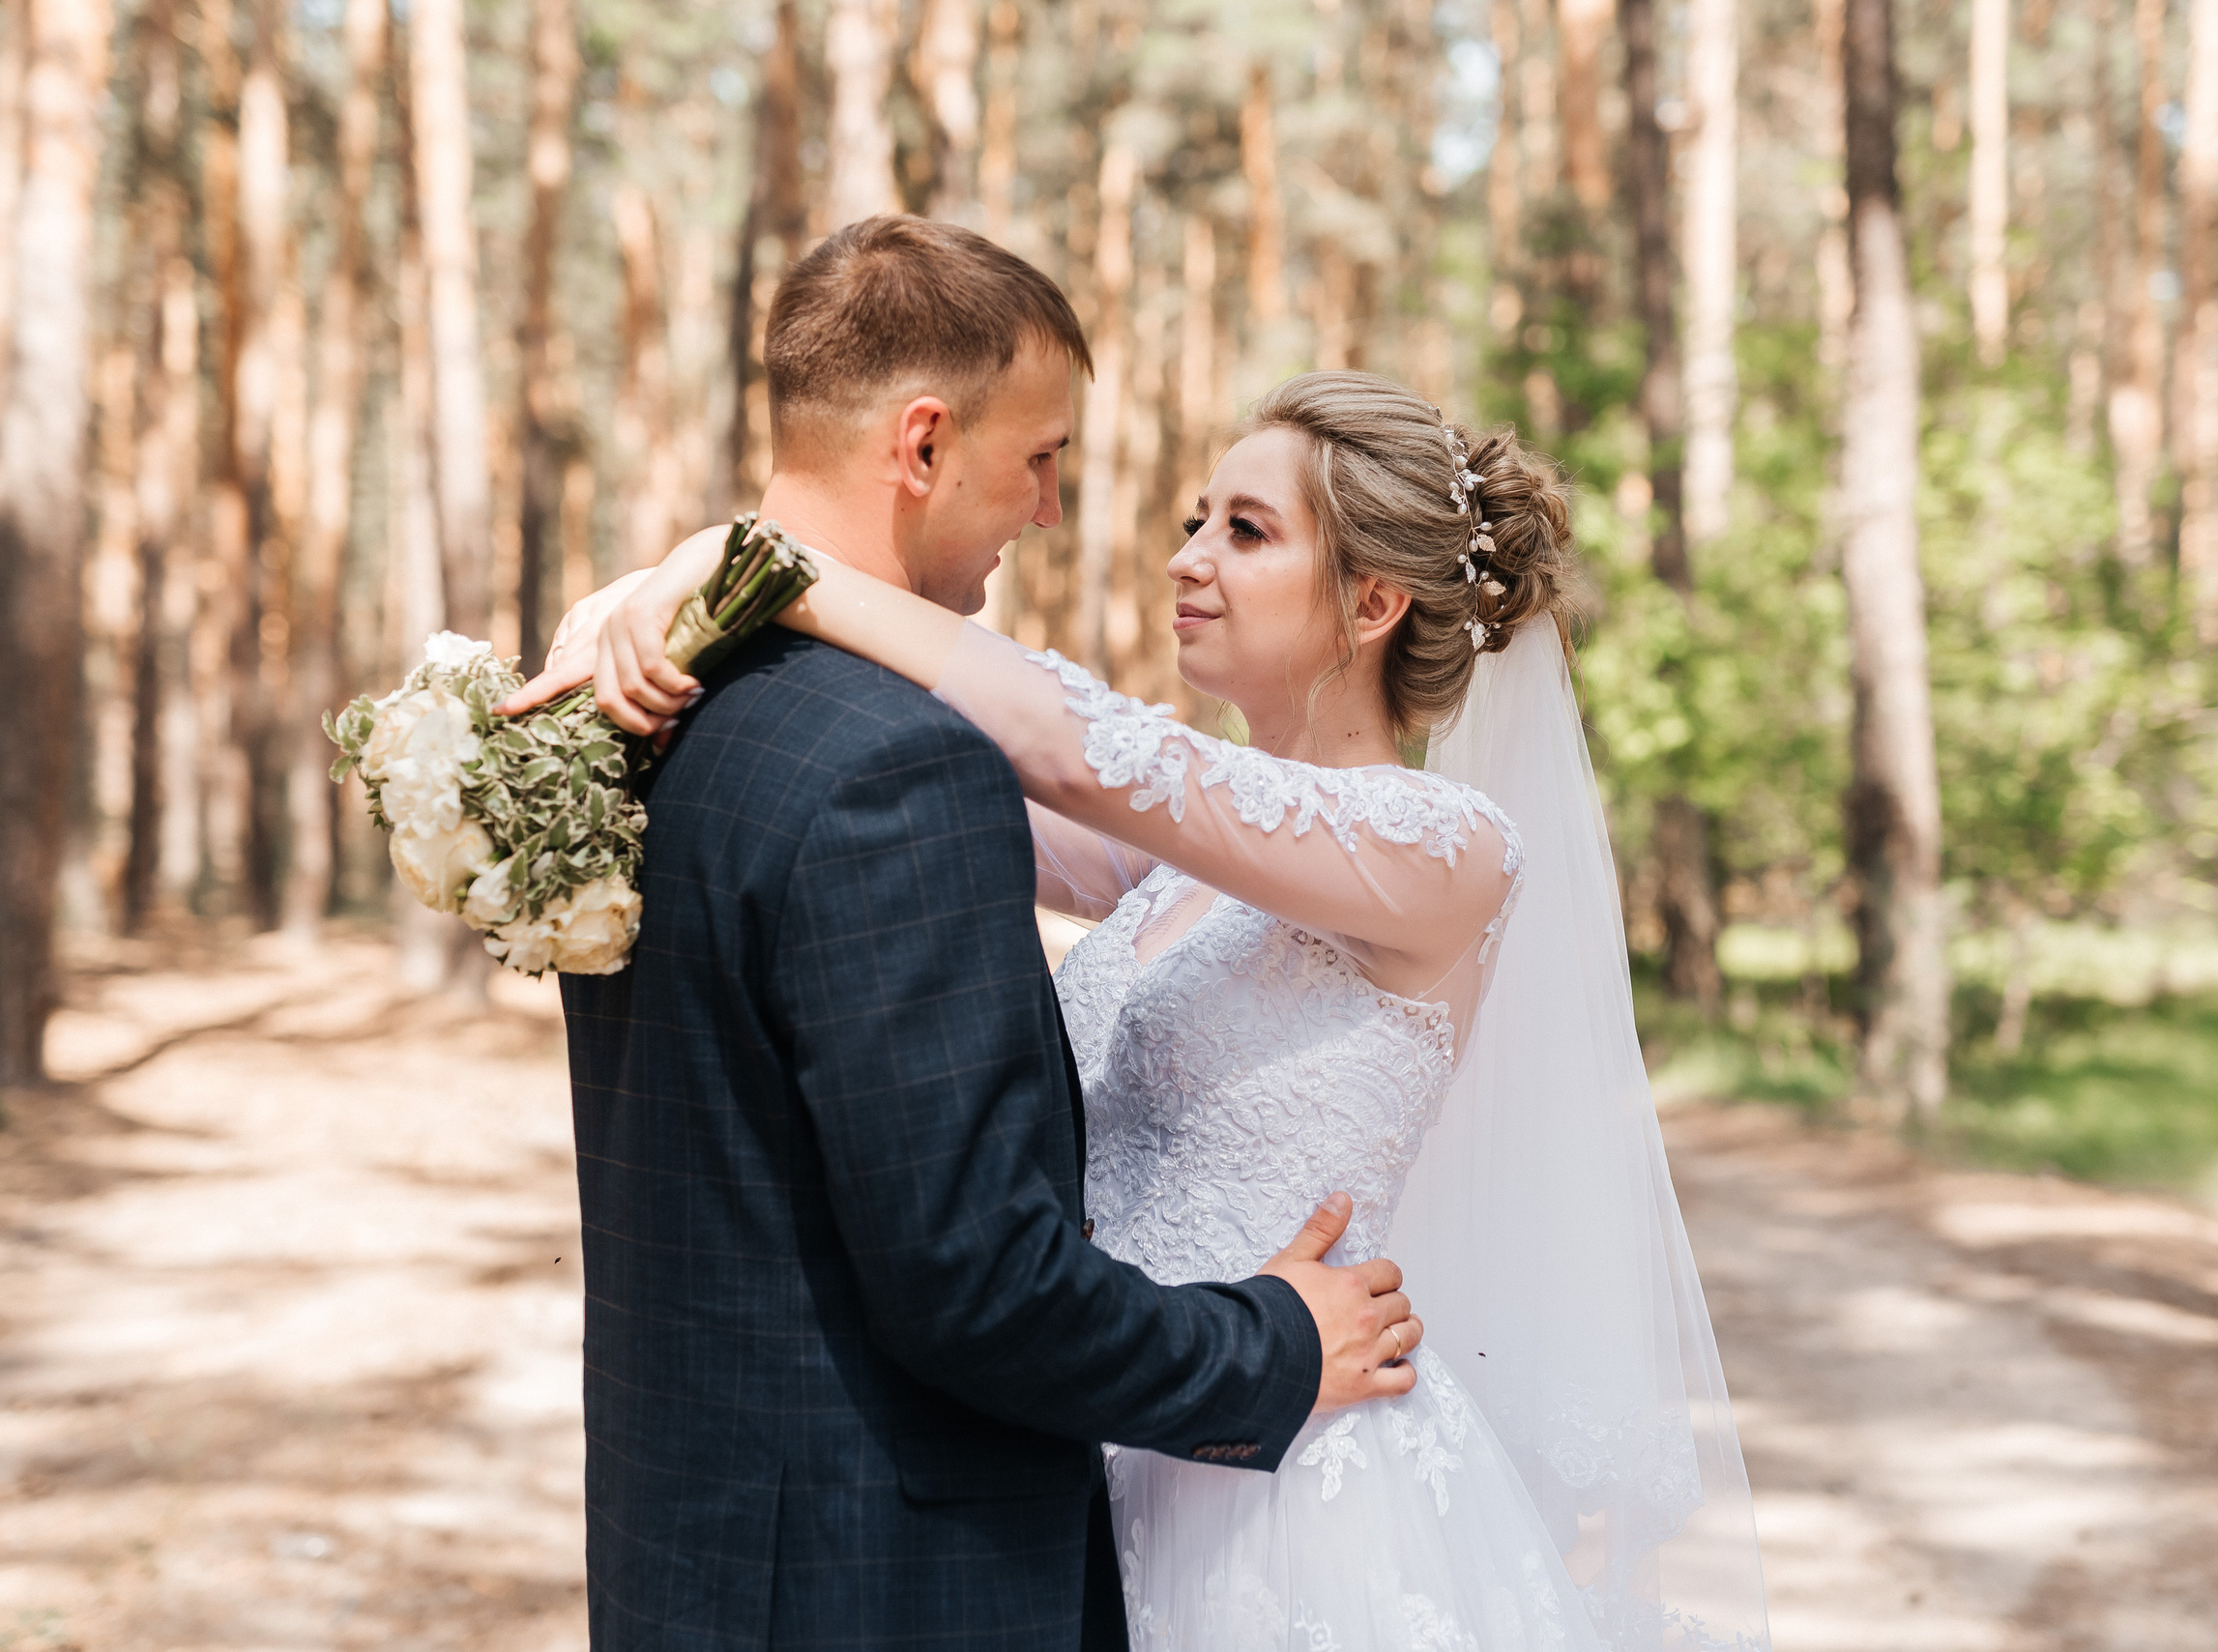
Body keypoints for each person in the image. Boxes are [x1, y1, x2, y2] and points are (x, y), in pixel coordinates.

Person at [540, 350, 1775, 1647]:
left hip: (1299, 1499)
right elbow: (892, 774)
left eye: (1246, 531)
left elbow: (1073, 744)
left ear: (1369, 602)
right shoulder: (1175, 862)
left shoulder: (1444, 849)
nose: (1189, 556)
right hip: (1130, 1429)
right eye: (1197, 519)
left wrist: (754, 561)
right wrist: (666, 626)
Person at [511, 217, 1430, 1651]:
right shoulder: (897, 770)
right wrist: (1272, 1342)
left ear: (1381, 601)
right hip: (889, 1570)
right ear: (923, 444)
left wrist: (718, 566)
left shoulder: (654, 718)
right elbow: (980, 1287)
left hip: (705, 1542)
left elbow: (1095, 763)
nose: (1056, 511)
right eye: (1042, 458)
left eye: (1243, 529)